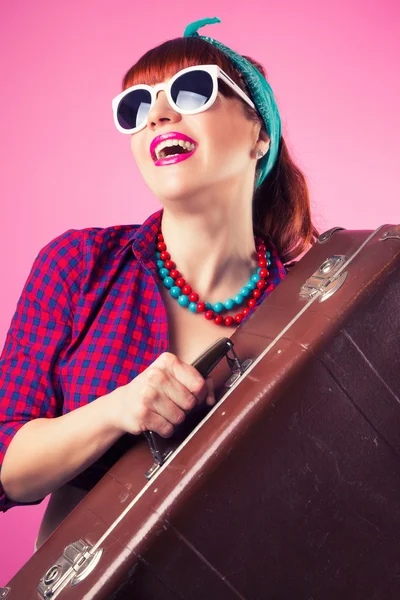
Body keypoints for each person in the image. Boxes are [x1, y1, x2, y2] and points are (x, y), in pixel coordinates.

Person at [0, 17, 318, 552]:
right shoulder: (77, 265)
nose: (159, 116)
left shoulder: (311, 310)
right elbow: (7, 469)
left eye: (192, 91)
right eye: (137, 107)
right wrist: (121, 408)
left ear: (259, 133)